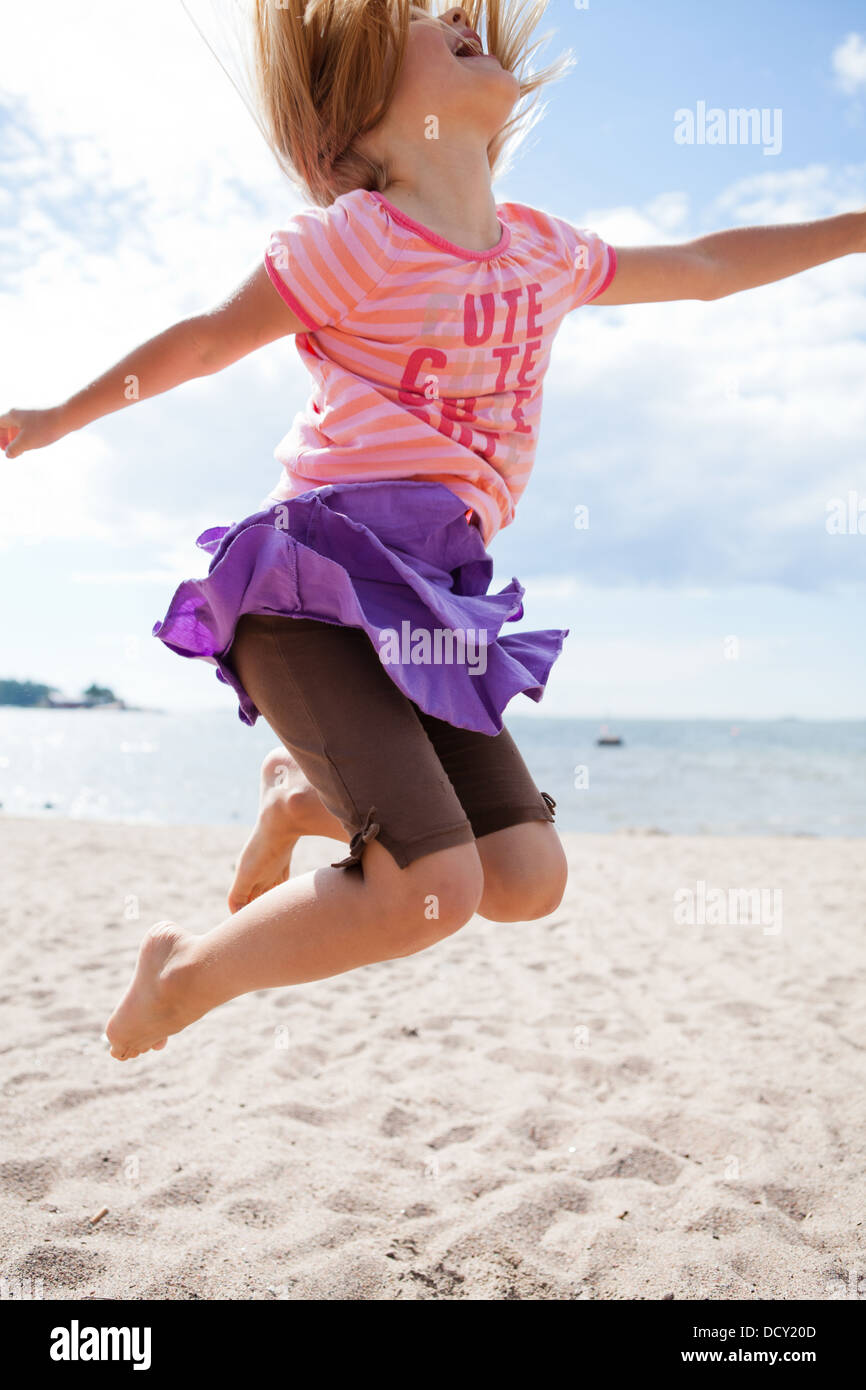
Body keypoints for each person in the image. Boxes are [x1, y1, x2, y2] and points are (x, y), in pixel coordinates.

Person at [2, 2, 862, 1061]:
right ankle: (181, 974)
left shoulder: (544, 253)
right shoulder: (355, 240)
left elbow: (705, 265)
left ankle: (297, 797)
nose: (458, 18)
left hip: (428, 598)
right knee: (431, 889)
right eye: (422, 23)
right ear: (360, 120)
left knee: (524, 877)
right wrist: (51, 419)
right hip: (312, 586)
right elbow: (205, 343)